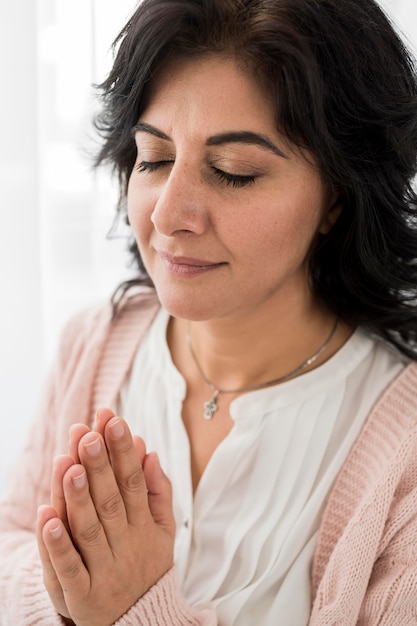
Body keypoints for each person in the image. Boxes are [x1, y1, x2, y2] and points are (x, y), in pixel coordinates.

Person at [1, 0, 417, 624]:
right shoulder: (94, 344)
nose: (169, 214)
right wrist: (67, 597)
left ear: (337, 197)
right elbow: (11, 551)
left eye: (233, 172)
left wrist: (133, 607)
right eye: (155, 159)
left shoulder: (403, 455)